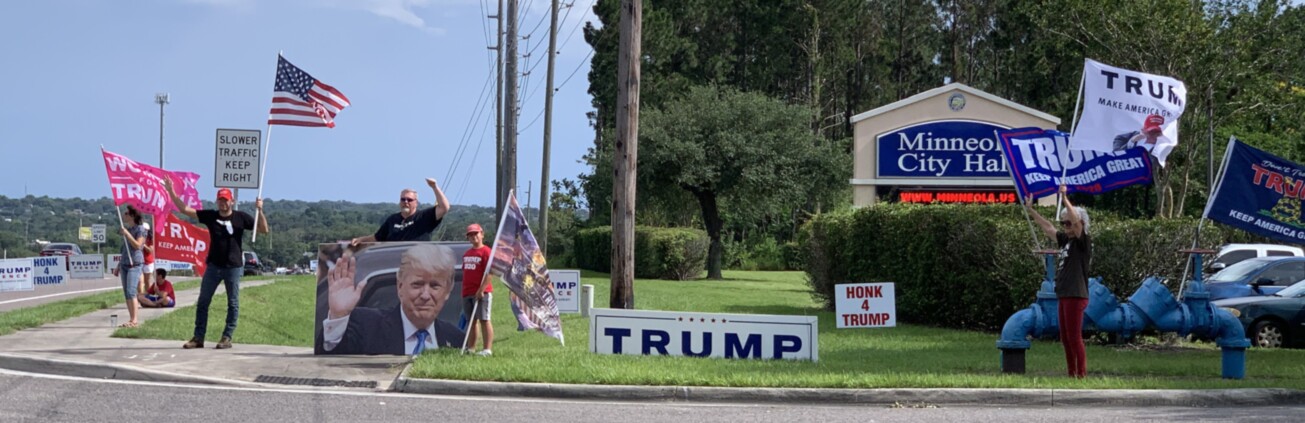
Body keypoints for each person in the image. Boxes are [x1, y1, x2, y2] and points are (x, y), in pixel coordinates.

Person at [163, 181, 269, 350]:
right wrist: (172, 193)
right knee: (203, 302)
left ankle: (227, 337)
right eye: (220, 200)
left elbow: (263, 230)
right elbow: (185, 210)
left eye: (226, 200)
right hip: (213, 266)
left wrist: (260, 210)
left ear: (232, 201)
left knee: (233, 303)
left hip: (233, 266)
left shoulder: (241, 217)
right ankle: (198, 337)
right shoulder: (211, 216)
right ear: (217, 201)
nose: (223, 203)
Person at [321, 243, 464, 355]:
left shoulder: (457, 340)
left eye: (434, 286)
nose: (425, 295)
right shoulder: (364, 325)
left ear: (447, 291)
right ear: (400, 286)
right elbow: (328, 363)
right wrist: (338, 317)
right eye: (417, 284)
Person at [1023, 184, 1092, 378]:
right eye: (1064, 224)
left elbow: (1077, 222)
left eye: (1068, 223)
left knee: (1074, 337)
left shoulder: (1083, 241)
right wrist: (1031, 210)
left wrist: (1065, 197)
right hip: (1064, 293)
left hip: (1076, 294)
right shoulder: (1066, 240)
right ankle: (1071, 373)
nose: (1066, 227)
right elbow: (1048, 228)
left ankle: (1081, 375)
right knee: (1065, 337)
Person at [350, 178, 450, 245]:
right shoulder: (392, 219)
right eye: (403, 199)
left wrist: (434, 187)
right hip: (395, 263)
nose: (406, 202)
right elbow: (377, 237)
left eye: (409, 200)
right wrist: (361, 239)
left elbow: (444, 207)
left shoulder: (424, 216)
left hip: (418, 263)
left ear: (416, 203)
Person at [111, 206, 148, 328]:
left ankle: (135, 320)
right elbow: (125, 250)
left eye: (126, 213)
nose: (124, 215)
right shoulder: (129, 229)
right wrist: (118, 266)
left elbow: (138, 245)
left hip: (135, 264)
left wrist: (127, 234)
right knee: (127, 293)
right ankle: (131, 318)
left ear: (132, 215)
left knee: (132, 291)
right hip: (125, 264)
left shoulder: (140, 229)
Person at [460, 223, 494, 356]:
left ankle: (487, 349)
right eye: (470, 235)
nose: (473, 236)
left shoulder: (487, 252)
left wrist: (481, 289)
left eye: (476, 233)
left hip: (482, 292)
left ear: (482, 234)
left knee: (484, 319)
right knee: (471, 321)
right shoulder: (467, 254)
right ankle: (471, 348)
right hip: (467, 292)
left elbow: (490, 273)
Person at [139, 221, 155, 295]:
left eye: (145, 230)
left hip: (148, 262)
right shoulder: (139, 237)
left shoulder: (150, 239)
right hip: (140, 261)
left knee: (147, 281)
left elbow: (150, 250)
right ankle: (141, 296)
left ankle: (149, 295)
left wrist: (144, 245)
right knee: (140, 281)